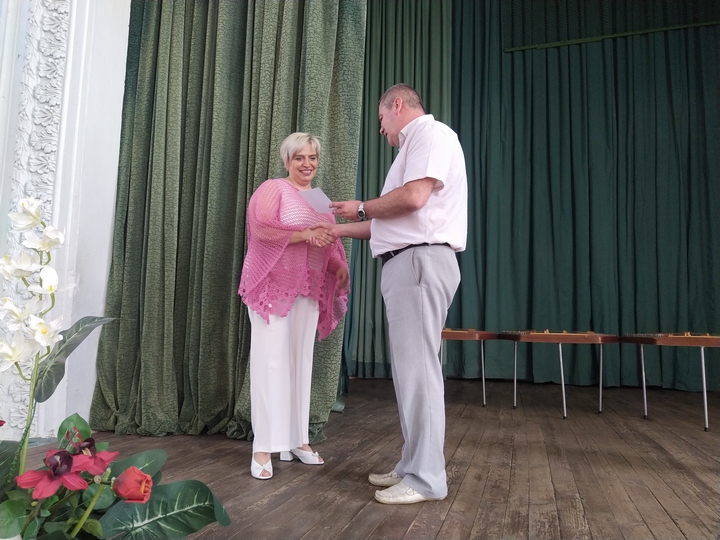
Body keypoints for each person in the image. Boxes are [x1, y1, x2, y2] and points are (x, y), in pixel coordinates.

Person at [330, 84, 468, 504]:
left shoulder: (430, 133)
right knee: (411, 373)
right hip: (409, 261)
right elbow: (387, 220)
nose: (381, 129)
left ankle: (426, 479)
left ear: (397, 105)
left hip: (419, 261)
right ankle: (412, 465)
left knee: (419, 372)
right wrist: (336, 229)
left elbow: (412, 198)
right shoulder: (413, 146)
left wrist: (360, 206)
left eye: (381, 119)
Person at [239, 132, 350, 480]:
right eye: (300, 157)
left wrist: (338, 267)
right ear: (287, 160)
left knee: (301, 361)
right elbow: (261, 229)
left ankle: (297, 440)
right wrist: (304, 235)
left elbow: (329, 243)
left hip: (308, 287)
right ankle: (263, 447)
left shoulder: (319, 198)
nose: (307, 164)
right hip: (272, 285)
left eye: (312, 158)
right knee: (270, 362)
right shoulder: (273, 188)